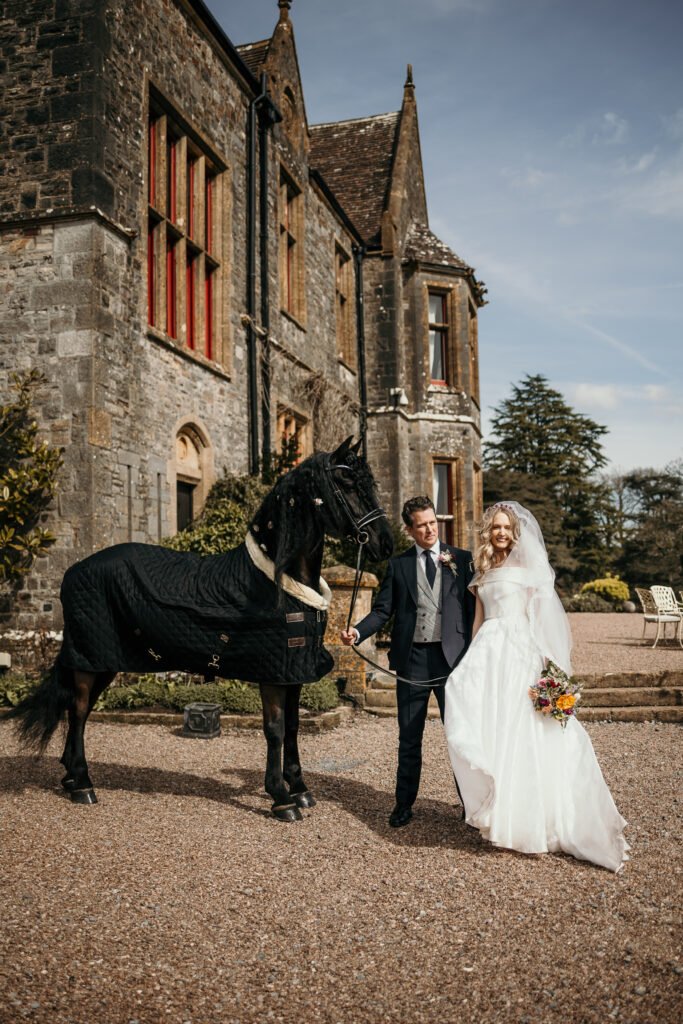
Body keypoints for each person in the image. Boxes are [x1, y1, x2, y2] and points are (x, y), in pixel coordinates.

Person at [443, 501, 629, 872]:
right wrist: (468, 663)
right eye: (494, 527)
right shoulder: (481, 570)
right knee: (492, 728)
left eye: (505, 528)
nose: (500, 533)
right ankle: (500, 812)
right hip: (489, 654)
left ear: (515, 532)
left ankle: (530, 819)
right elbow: (479, 620)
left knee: (523, 733)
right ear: (488, 532)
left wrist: (549, 666)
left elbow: (539, 619)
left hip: (519, 653)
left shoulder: (528, 568)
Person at [341, 495, 475, 828]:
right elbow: (383, 611)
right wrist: (357, 632)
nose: (430, 530)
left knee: (460, 737)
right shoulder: (399, 566)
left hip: (452, 661)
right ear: (409, 529)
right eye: (422, 525)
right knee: (409, 737)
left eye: (433, 523)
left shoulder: (462, 559)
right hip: (413, 660)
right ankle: (403, 804)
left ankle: (471, 804)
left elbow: (474, 612)